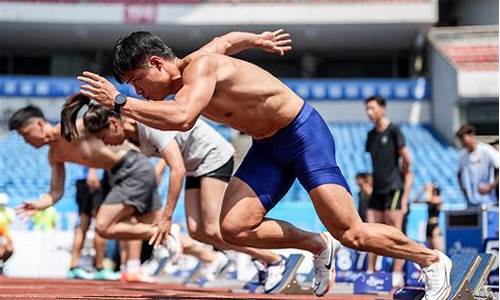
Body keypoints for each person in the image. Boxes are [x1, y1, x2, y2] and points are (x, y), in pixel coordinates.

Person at [78, 30, 451, 298]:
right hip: (267, 147)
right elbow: (226, 40)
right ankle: (316, 245)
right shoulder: (200, 60)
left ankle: (432, 260)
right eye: (129, 87)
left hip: (303, 135)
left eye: (136, 81)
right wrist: (257, 39)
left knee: (351, 233)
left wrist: (121, 103)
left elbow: (183, 118)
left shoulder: (200, 69)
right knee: (233, 228)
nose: (137, 91)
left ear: (157, 64)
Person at [71, 101, 285, 287]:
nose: (105, 143)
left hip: (212, 156)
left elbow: (178, 169)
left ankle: (273, 259)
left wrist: (166, 216)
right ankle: (260, 259)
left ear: (114, 124)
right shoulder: (130, 136)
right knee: (197, 232)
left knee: (214, 227)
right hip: (195, 164)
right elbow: (171, 155)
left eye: (103, 136)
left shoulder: (149, 125)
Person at [10, 105, 161, 283]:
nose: (26, 140)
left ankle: (156, 238)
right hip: (116, 175)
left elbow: (102, 117)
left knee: (104, 226)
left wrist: (124, 113)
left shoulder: (72, 128)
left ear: (40, 124)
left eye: (26, 133)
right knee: (186, 229)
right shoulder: (55, 155)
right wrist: (38, 204)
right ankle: (196, 252)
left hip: (132, 167)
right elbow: (56, 192)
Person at [364, 95, 413, 288]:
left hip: (394, 189)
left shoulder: (394, 131)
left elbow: (407, 160)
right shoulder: (370, 135)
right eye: (367, 108)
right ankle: (370, 271)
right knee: (370, 231)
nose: (369, 112)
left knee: (395, 232)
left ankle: (396, 273)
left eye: (373, 108)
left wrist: (402, 185)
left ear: (383, 109)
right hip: (377, 190)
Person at [68, 168, 119, 280]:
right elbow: (93, 151)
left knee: (83, 225)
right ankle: (99, 267)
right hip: (96, 180)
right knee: (100, 223)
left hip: (81, 179)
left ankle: (73, 266)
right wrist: (93, 171)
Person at [456, 124, 499, 207]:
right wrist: (464, 190)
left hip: (489, 201)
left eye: (464, 139)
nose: (463, 142)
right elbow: (459, 175)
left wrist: (491, 186)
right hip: (472, 202)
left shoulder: (486, 150)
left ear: (472, 135)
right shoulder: (462, 155)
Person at [414, 184, 443, 251]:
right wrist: (422, 191)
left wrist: (428, 190)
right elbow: (415, 200)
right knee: (430, 250)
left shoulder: (438, 199)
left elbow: (429, 199)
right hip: (428, 226)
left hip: (434, 226)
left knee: (438, 250)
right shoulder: (430, 199)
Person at [0, 194, 15, 275]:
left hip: (4, 234)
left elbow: (11, 221)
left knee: (9, 249)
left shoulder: (8, 211)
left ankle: (1, 265)